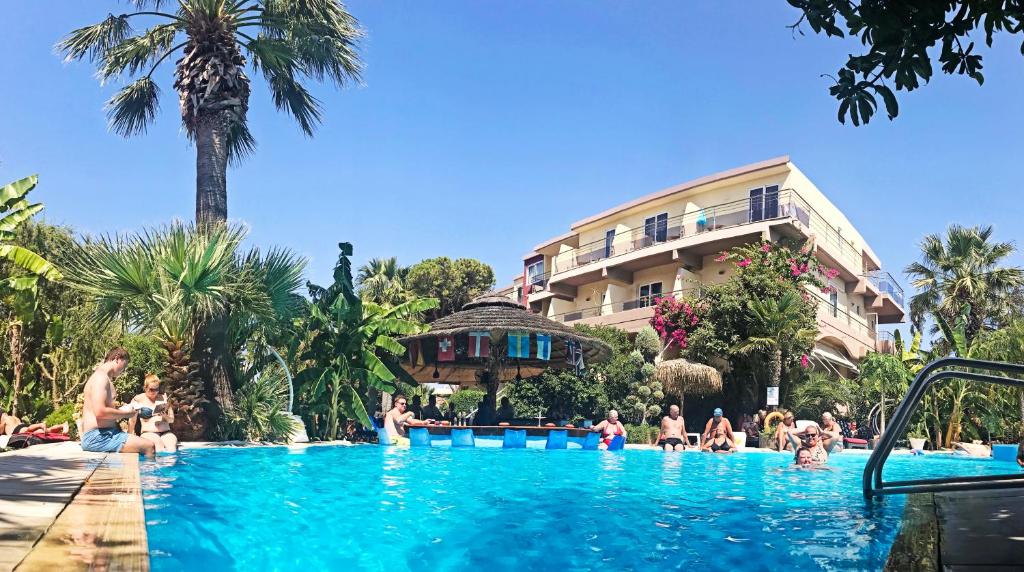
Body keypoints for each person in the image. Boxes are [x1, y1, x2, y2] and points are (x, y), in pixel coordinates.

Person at [80, 348, 155, 456]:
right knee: (149, 446)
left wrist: (123, 409)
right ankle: (150, 473)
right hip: (98, 437)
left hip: (105, 433)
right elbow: (100, 412)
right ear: (117, 359)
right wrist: (128, 414)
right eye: (124, 367)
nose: (123, 371)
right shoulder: (101, 378)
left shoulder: (103, 377)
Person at [128, 374, 177, 453]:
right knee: (158, 446)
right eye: (151, 389)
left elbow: (171, 420)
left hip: (166, 432)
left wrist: (164, 415)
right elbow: (132, 420)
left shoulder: (164, 398)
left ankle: (169, 465)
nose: (154, 392)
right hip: (149, 432)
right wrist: (129, 437)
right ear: (145, 388)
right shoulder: (138, 399)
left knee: (172, 448)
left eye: (156, 389)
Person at [0, 411, 69, 436]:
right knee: (47, 430)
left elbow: (1, 431)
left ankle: (40, 424)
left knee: (27, 430)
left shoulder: (5, 420)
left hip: (18, 430)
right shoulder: (13, 417)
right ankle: (62, 425)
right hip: (23, 425)